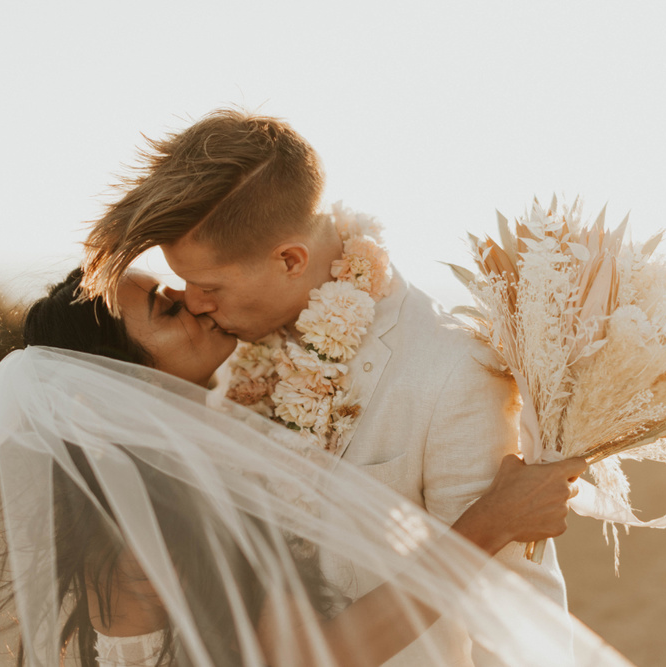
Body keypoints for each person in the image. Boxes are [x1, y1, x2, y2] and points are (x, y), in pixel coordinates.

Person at [0, 269, 626, 667]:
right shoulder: (158, 513)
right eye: (164, 306)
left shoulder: (126, 488)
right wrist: (491, 523)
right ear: (118, 375)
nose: (193, 300)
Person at [79, 109, 584, 665]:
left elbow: (512, 613)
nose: (193, 303)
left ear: (290, 259)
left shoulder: (451, 366)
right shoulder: (208, 367)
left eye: (208, 285)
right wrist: (489, 523)